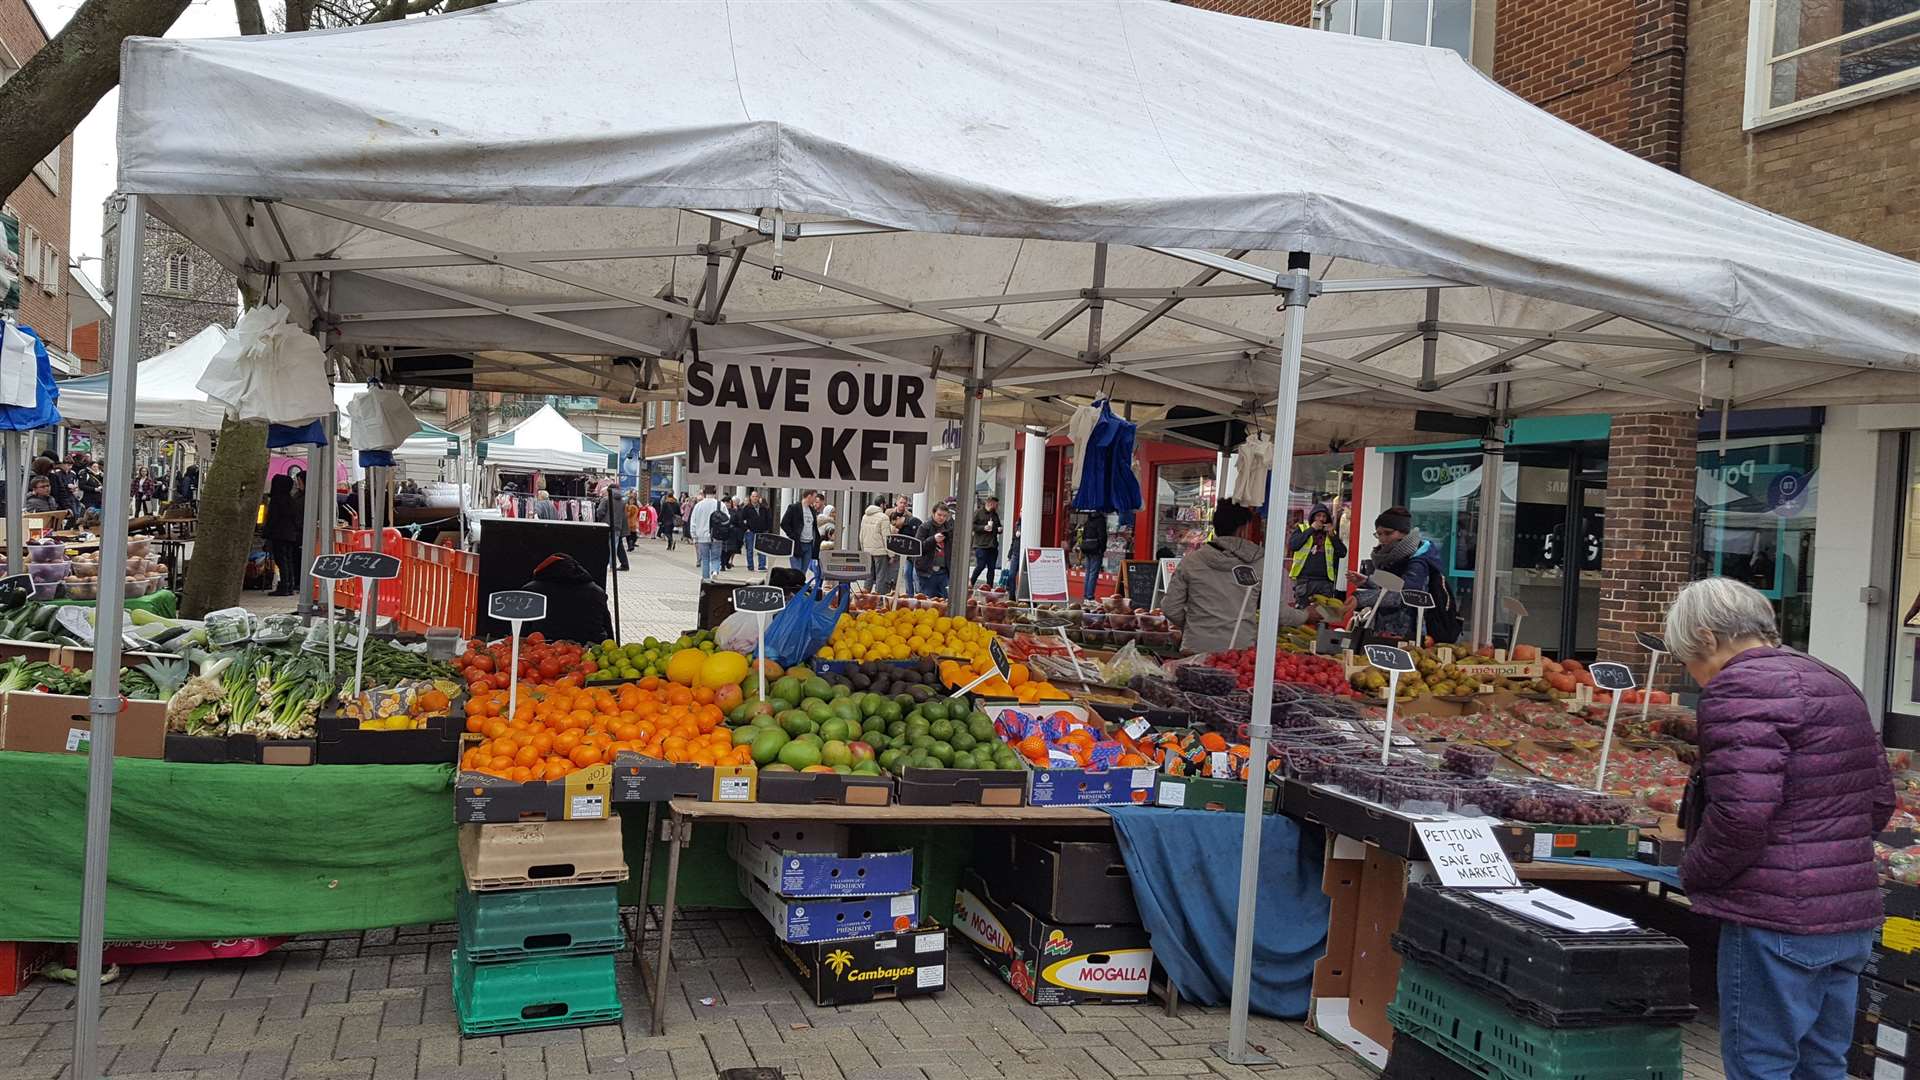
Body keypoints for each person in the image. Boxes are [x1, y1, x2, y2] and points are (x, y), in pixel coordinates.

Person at [1664, 577, 1894, 1078]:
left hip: (1773, 917)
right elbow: (1880, 800)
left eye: (1687, 659)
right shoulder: (1831, 678)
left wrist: (1695, 872)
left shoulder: (1737, 689)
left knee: (1760, 1064)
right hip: (1848, 913)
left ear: (1706, 637)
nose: (1694, 674)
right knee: (1824, 1063)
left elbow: (1741, 816)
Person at [1163, 499, 1317, 654]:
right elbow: (1279, 613)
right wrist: (1305, 615)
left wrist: (1195, 626)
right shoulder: (1259, 563)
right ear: (1242, 529)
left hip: (1195, 648)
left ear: (1215, 527)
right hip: (1238, 653)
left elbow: (1170, 607)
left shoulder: (1191, 561)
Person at [1347, 507, 1453, 645]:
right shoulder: (1390, 557)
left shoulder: (1419, 561)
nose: (1383, 539)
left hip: (1410, 634)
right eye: (1379, 534)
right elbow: (1391, 586)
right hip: (1387, 631)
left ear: (1404, 533)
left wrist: (1361, 598)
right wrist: (1367, 582)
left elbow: (1404, 594)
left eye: (1388, 533)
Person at [518, 554, 615, 645]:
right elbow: (607, 628)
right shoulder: (596, 591)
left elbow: (521, 630)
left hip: (542, 651)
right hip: (591, 651)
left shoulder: (530, 591)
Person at [1288, 503, 1346, 606]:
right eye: (1318, 516)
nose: (1321, 519)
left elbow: (1342, 553)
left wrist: (1333, 536)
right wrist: (1311, 529)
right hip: (1305, 580)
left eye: (1324, 516)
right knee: (1303, 613)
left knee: (1323, 616)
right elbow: (1294, 545)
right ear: (1313, 517)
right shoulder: (1302, 529)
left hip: (1325, 581)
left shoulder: (1331, 533)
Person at [262, 473, 305, 597]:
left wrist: (266, 532)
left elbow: (272, 519)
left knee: (281, 560)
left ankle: (284, 585)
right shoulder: (291, 500)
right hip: (290, 535)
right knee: (288, 560)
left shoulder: (277, 500)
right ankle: (289, 584)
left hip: (279, 534)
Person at [914, 504, 955, 599]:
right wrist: (933, 539)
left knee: (945, 599)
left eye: (944, 516)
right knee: (928, 600)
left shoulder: (949, 528)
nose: (942, 518)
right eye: (939, 515)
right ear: (933, 513)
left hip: (944, 571)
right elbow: (918, 547)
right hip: (928, 571)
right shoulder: (925, 527)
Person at [781, 491, 824, 573]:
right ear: (809, 496)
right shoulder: (794, 508)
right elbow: (784, 523)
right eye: (814, 497)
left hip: (809, 545)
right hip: (797, 544)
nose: (815, 500)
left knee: (803, 572)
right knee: (797, 571)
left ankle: (800, 586)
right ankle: (796, 585)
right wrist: (792, 535)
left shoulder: (812, 510)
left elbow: (813, 527)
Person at [860, 499, 894, 592]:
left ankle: (864, 598)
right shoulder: (884, 518)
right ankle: (878, 601)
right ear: (882, 505)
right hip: (880, 552)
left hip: (867, 551)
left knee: (868, 576)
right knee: (881, 577)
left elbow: (861, 535)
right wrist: (891, 554)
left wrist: (864, 549)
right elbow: (886, 537)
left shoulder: (865, 516)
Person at [688, 487, 722, 580]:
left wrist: (694, 536)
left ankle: (706, 579)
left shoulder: (698, 505)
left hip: (702, 536)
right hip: (717, 536)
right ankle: (715, 570)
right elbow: (727, 518)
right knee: (716, 557)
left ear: (704, 493)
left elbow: (693, 521)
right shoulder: (720, 504)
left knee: (705, 559)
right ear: (715, 493)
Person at [970, 495, 1003, 588]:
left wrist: (999, 529)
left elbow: (998, 526)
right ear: (989, 503)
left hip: (992, 545)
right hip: (981, 544)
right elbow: (972, 525)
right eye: (995, 504)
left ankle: (989, 587)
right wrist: (983, 527)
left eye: (997, 505)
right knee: (981, 565)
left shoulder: (995, 514)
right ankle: (971, 582)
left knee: (991, 568)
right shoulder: (978, 512)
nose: (996, 506)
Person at [738, 490, 773, 572]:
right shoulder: (746, 508)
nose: (755, 498)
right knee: (750, 550)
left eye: (756, 496)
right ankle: (750, 566)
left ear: (758, 497)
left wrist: (767, 529)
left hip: (762, 532)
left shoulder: (763, 508)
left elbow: (768, 519)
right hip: (750, 532)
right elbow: (741, 520)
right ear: (750, 497)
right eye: (753, 496)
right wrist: (746, 529)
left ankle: (762, 566)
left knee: (762, 549)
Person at [894, 497, 922, 595]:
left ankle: (919, 595)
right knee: (907, 574)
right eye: (900, 502)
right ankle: (909, 594)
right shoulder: (900, 526)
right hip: (907, 555)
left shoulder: (913, 521)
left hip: (916, 554)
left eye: (904, 503)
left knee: (915, 575)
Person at [1079, 509, 1108, 601]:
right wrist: (1102, 549)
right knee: (1093, 573)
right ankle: (1090, 596)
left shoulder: (1089, 520)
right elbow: (1102, 536)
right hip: (1096, 549)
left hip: (1087, 548)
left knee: (1088, 572)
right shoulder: (1100, 521)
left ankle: (1086, 595)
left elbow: (1083, 535)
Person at [603, 481, 629, 572]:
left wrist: (601, 519)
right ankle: (614, 566)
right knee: (615, 547)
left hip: (606, 525)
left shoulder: (606, 499)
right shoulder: (622, 501)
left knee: (605, 546)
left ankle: (608, 565)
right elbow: (624, 516)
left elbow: (600, 511)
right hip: (618, 526)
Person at [715, 496, 741, 571]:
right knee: (723, 550)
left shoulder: (734, 511)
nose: (727, 504)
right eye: (726, 503)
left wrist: (735, 527)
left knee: (731, 550)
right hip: (722, 533)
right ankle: (723, 565)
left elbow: (738, 521)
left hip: (732, 533)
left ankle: (726, 562)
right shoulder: (719, 512)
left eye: (729, 503)